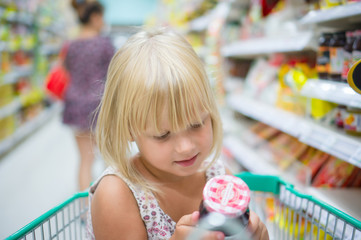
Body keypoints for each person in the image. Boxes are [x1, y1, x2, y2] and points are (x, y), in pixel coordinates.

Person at [87, 27, 269, 240]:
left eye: (196, 124)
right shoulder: (117, 194)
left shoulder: (220, 181)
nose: (186, 147)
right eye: (163, 135)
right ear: (128, 129)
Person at [63, 1, 114, 191]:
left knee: (85, 159)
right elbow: (115, 71)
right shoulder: (103, 44)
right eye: (102, 17)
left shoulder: (72, 45)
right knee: (109, 158)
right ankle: (107, 202)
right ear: (94, 18)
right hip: (98, 105)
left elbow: (67, 69)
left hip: (75, 104)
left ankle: (84, 209)